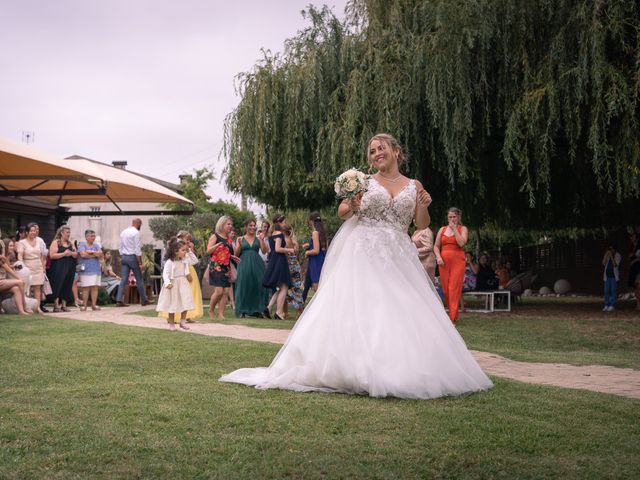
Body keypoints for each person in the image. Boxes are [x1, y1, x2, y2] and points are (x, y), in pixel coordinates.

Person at [220, 133, 492, 399]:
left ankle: (400, 367)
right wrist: (353, 203)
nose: (376, 154)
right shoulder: (364, 181)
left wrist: (423, 205)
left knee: (400, 306)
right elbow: (343, 212)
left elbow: (420, 224)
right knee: (365, 305)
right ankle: (355, 368)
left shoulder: (414, 185)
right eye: (372, 151)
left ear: (396, 151)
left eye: (381, 148)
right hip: (364, 248)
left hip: (397, 251)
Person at [434, 207, 468, 323]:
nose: (452, 219)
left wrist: (454, 230)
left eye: (454, 217)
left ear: (458, 217)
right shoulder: (442, 229)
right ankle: (452, 313)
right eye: (450, 217)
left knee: (453, 288)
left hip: (458, 261)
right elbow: (436, 246)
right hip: (443, 262)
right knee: (445, 290)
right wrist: (438, 257)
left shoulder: (462, 229)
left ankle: (452, 318)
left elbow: (461, 243)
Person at [159, 230, 203, 321]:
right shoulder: (176, 249)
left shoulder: (187, 249)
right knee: (176, 296)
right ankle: (173, 316)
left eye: (189, 240)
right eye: (187, 239)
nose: (189, 242)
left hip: (189, 271)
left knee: (188, 295)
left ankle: (187, 316)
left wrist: (189, 250)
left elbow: (194, 260)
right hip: (178, 274)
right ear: (181, 238)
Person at [156, 239, 195, 331]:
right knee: (172, 304)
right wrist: (168, 283)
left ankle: (182, 321)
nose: (185, 252)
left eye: (185, 250)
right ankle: (172, 324)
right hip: (173, 284)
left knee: (186, 301)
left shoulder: (184, 261)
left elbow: (194, 261)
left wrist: (188, 274)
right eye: (183, 250)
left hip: (183, 283)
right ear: (175, 251)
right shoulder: (170, 262)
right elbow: (165, 273)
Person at [234, 219, 269, 318]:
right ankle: (242, 310)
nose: (253, 227)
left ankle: (257, 309)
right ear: (246, 227)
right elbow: (236, 254)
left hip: (257, 263)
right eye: (250, 225)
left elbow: (264, 251)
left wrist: (262, 239)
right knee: (244, 284)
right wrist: (239, 245)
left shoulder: (258, 238)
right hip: (244, 263)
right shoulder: (240, 239)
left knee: (257, 285)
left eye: (254, 225)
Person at [262, 220, 294, 320]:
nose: (285, 223)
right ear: (279, 223)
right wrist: (289, 250)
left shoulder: (272, 234)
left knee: (280, 287)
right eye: (283, 222)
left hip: (275, 260)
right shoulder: (279, 234)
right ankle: (279, 312)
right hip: (280, 260)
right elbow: (278, 249)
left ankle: (269, 307)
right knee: (284, 286)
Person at [207, 216, 235, 319]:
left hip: (226, 267)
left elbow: (226, 252)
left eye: (231, 224)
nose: (230, 226)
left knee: (226, 292)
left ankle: (221, 314)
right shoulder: (215, 236)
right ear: (222, 224)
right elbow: (208, 251)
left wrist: (233, 257)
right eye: (228, 224)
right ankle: (211, 310)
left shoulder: (229, 239)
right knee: (219, 291)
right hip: (216, 266)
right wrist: (216, 245)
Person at [116, 218, 149, 307]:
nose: (140, 226)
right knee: (139, 279)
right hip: (132, 257)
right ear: (137, 223)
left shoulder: (124, 232)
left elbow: (120, 246)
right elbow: (137, 248)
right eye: (140, 225)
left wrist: (122, 254)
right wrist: (140, 263)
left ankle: (119, 299)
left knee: (123, 279)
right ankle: (144, 300)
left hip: (124, 257)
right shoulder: (136, 233)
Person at [47, 225, 78, 312]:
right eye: (67, 232)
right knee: (57, 284)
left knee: (67, 285)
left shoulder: (70, 243)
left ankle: (64, 305)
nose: (69, 234)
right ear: (61, 233)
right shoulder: (56, 242)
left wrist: (71, 253)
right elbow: (52, 255)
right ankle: (56, 305)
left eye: (69, 232)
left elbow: (76, 254)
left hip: (69, 267)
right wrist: (64, 254)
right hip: (58, 268)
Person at [17, 223, 46, 310]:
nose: (33, 232)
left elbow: (41, 255)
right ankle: (27, 307)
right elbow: (20, 255)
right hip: (27, 267)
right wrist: (22, 267)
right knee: (27, 289)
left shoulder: (38, 242)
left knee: (38, 289)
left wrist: (43, 267)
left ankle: (37, 308)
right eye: (31, 231)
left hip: (38, 267)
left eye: (34, 231)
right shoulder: (22, 242)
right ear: (27, 232)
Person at [302, 212, 328, 302]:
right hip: (321, 259)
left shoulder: (315, 233)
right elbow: (323, 248)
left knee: (316, 287)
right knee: (309, 285)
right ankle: (301, 308)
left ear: (312, 221)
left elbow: (316, 250)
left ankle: (321, 307)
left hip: (315, 261)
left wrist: (308, 252)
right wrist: (309, 245)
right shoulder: (322, 233)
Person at [77, 229, 103, 311]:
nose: (93, 237)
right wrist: (94, 254)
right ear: (86, 237)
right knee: (85, 288)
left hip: (96, 269)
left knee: (95, 287)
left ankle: (94, 305)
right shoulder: (82, 245)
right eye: (91, 236)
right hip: (86, 270)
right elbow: (83, 255)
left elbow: (100, 254)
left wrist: (89, 252)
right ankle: (84, 306)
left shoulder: (97, 245)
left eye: (94, 236)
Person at [283, 225, 304, 317]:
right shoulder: (293, 241)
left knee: (283, 289)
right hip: (295, 265)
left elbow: (284, 254)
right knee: (297, 289)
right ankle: (300, 311)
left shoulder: (284, 241)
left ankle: (285, 312)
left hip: (287, 266)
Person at [602, 243, 622, 312]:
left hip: (614, 276)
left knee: (613, 291)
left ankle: (612, 305)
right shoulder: (608, 255)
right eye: (609, 249)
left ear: (615, 249)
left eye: (612, 249)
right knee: (606, 291)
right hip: (607, 276)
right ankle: (606, 305)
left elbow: (615, 265)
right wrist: (606, 255)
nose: (611, 250)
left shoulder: (618, 255)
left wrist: (611, 256)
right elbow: (603, 263)